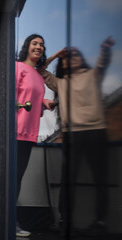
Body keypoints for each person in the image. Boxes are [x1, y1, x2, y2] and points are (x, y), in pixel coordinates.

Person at [39, 37, 115, 236]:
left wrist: (105, 48)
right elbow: (39, 70)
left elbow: (104, 61)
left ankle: (100, 222)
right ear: (63, 63)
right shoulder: (60, 83)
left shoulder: (93, 74)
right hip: (71, 134)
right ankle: (65, 220)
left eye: (76, 55)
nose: (72, 59)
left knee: (101, 179)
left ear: (82, 59)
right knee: (68, 180)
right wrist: (56, 55)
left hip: (96, 132)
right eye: (68, 57)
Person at [15, 34, 56, 237]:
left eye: (41, 44)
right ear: (26, 47)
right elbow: (10, 98)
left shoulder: (38, 75)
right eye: (34, 43)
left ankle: (10, 219)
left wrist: (43, 103)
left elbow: (30, 99)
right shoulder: (17, 68)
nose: (38, 46)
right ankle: (8, 220)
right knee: (11, 178)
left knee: (17, 178)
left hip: (29, 134)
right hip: (14, 132)